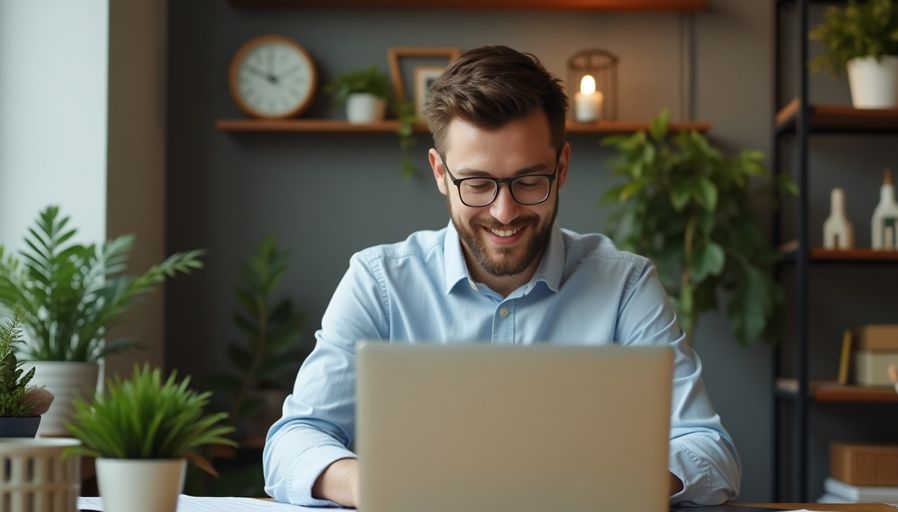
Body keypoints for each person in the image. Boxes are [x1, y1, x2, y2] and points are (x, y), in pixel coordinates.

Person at [263, 45, 741, 507]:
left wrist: (611, 485)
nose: (504, 211)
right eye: (477, 183)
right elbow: (292, 442)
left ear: (563, 166)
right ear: (439, 173)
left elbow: (710, 451)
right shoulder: (378, 281)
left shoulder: (625, 285)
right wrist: (376, 485)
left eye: (529, 181)